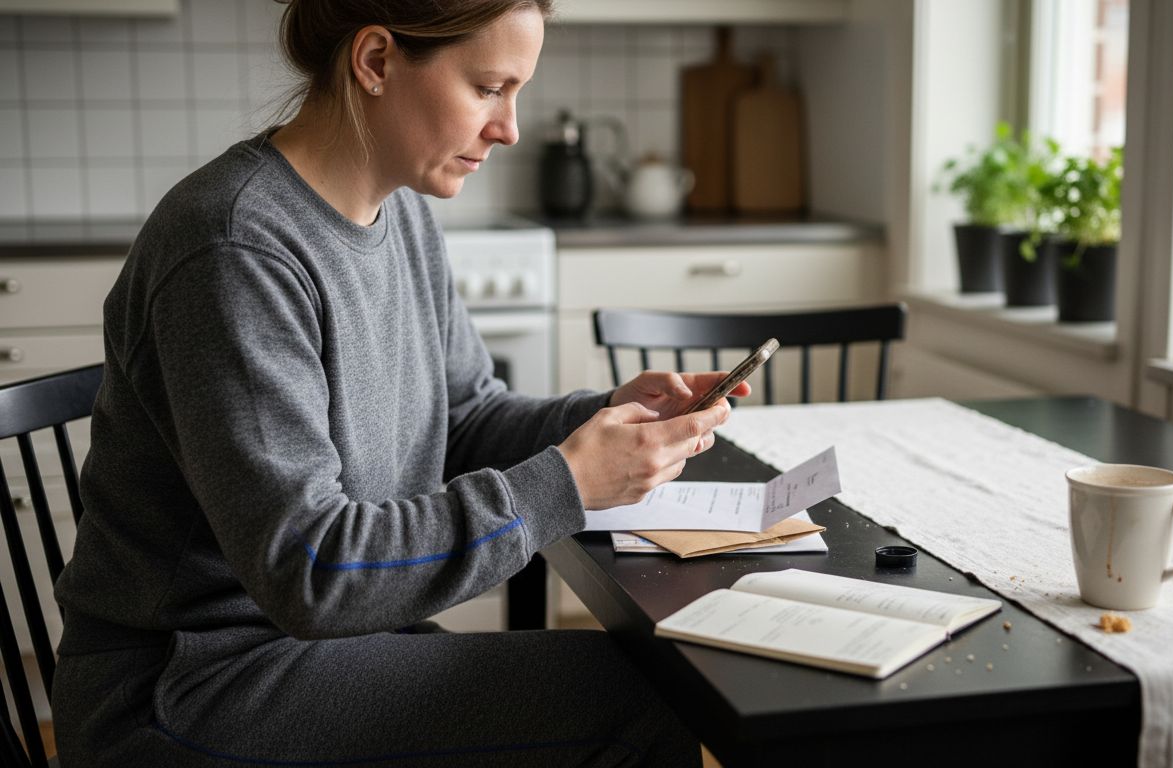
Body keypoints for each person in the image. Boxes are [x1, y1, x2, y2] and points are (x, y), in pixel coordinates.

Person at [50, 1, 743, 765]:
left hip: (315, 648)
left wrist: (608, 419)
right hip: (194, 683)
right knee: (636, 699)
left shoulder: (401, 214)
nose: (510, 127)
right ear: (376, 61)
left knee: (638, 683)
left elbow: (465, 418)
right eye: (488, 88)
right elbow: (309, 568)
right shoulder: (235, 248)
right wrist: (567, 483)